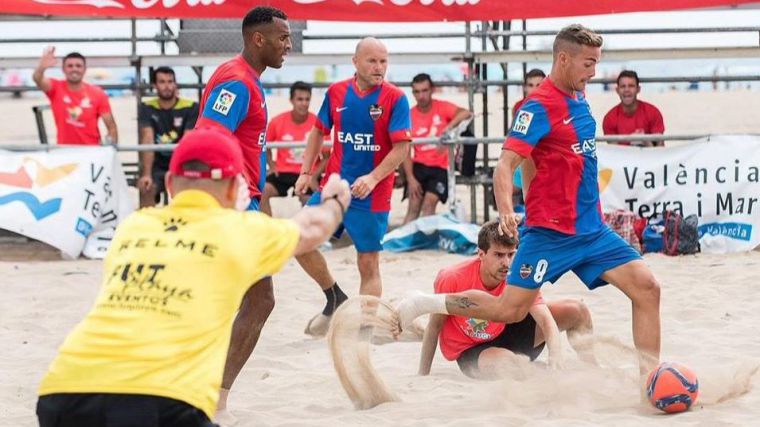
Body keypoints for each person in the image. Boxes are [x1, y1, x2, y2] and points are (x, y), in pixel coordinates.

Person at [36, 127, 351, 427]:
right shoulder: (242, 230)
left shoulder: (134, 226)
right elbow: (313, 228)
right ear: (233, 187)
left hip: (64, 389)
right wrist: (336, 200)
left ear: (170, 182)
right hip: (163, 398)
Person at [396, 24, 662, 378]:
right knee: (509, 309)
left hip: (592, 230)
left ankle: (651, 380)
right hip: (549, 233)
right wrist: (506, 210)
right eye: (588, 63)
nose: (594, 72)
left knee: (648, 288)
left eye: (596, 62)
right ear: (563, 59)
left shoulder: (578, 96)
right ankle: (428, 303)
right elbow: (504, 166)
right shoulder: (538, 107)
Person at [193, 5, 291, 422]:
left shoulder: (243, 77)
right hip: (231, 206)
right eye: (283, 37)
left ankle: (205, 391)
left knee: (242, 300)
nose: (289, 45)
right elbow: (207, 140)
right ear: (259, 39)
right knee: (259, 299)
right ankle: (212, 396)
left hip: (240, 204)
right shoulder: (237, 81)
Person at [294, 37, 412, 336]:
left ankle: (366, 328)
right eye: (372, 61)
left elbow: (401, 148)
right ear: (355, 62)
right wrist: (306, 172)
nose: (379, 67)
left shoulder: (395, 98)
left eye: (384, 61)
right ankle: (334, 297)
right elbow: (318, 132)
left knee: (367, 262)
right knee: (297, 240)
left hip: (372, 194)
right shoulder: (336, 93)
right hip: (334, 187)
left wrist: (373, 178)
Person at [418, 221, 595, 379]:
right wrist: (422, 375)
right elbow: (434, 326)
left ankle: (592, 370)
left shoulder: (520, 273)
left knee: (577, 310)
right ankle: (544, 374)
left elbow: (545, 319)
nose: (507, 263)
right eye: (499, 255)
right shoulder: (452, 277)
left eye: (511, 255)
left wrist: (555, 355)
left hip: (512, 331)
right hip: (474, 349)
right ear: (481, 254)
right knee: (509, 365)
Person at [402, 73, 472, 224]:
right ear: (413, 93)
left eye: (425, 90)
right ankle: (403, 245)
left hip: (440, 168)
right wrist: (410, 179)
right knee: (413, 207)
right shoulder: (409, 115)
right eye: (417, 92)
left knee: (428, 205)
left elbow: (466, 113)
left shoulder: (442, 107)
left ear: (432, 90)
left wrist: (447, 128)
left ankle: (423, 242)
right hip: (418, 166)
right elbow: (405, 150)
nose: (421, 96)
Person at [261, 81, 329, 216]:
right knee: (261, 192)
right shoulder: (277, 121)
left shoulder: (318, 122)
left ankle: (311, 235)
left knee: (312, 201)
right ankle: (269, 232)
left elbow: (327, 157)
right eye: (299, 99)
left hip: (308, 173)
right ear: (291, 100)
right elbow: (264, 146)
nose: (303, 103)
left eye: (307, 99)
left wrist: (314, 177)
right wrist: (272, 165)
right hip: (283, 173)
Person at [137, 66, 199, 207]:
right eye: (162, 82)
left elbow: (188, 141)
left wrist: (184, 172)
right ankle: (148, 226)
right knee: (147, 187)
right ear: (155, 85)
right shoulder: (147, 107)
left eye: (170, 81)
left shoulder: (190, 107)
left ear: (175, 84)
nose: (167, 86)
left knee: (189, 193)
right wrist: (146, 174)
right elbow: (148, 138)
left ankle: (186, 226)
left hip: (181, 163)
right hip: (157, 164)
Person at [32, 47, 118, 145]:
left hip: (92, 151)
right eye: (70, 66)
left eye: (78, 66)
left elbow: (111, 127)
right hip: (64, 151)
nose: (74, 69)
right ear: (63, 69)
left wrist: (109, 150)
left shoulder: (98, 93)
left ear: (85, 69)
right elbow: (37, 79)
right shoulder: (56, 88)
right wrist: (42, 67)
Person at [510, 69, 546, 208]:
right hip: (526, 157)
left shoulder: (553, 105)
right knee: (507, 189)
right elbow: (517, 136)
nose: (534, 89)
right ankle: (510, 224)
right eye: (530, 85)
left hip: (546, 158)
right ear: (525, 87)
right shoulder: (519, 107)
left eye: (538, 85)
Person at [602, 70, 665, 147]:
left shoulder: (653, 112)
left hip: (649, 156)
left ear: (638, 89)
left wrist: (646, 141)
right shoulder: (609, 118)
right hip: (623, 157)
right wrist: (630, 142)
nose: (627, 90)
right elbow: (614, 153)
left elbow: (660, 150)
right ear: (617, 90)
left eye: (631, 86)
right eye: (623, 86)